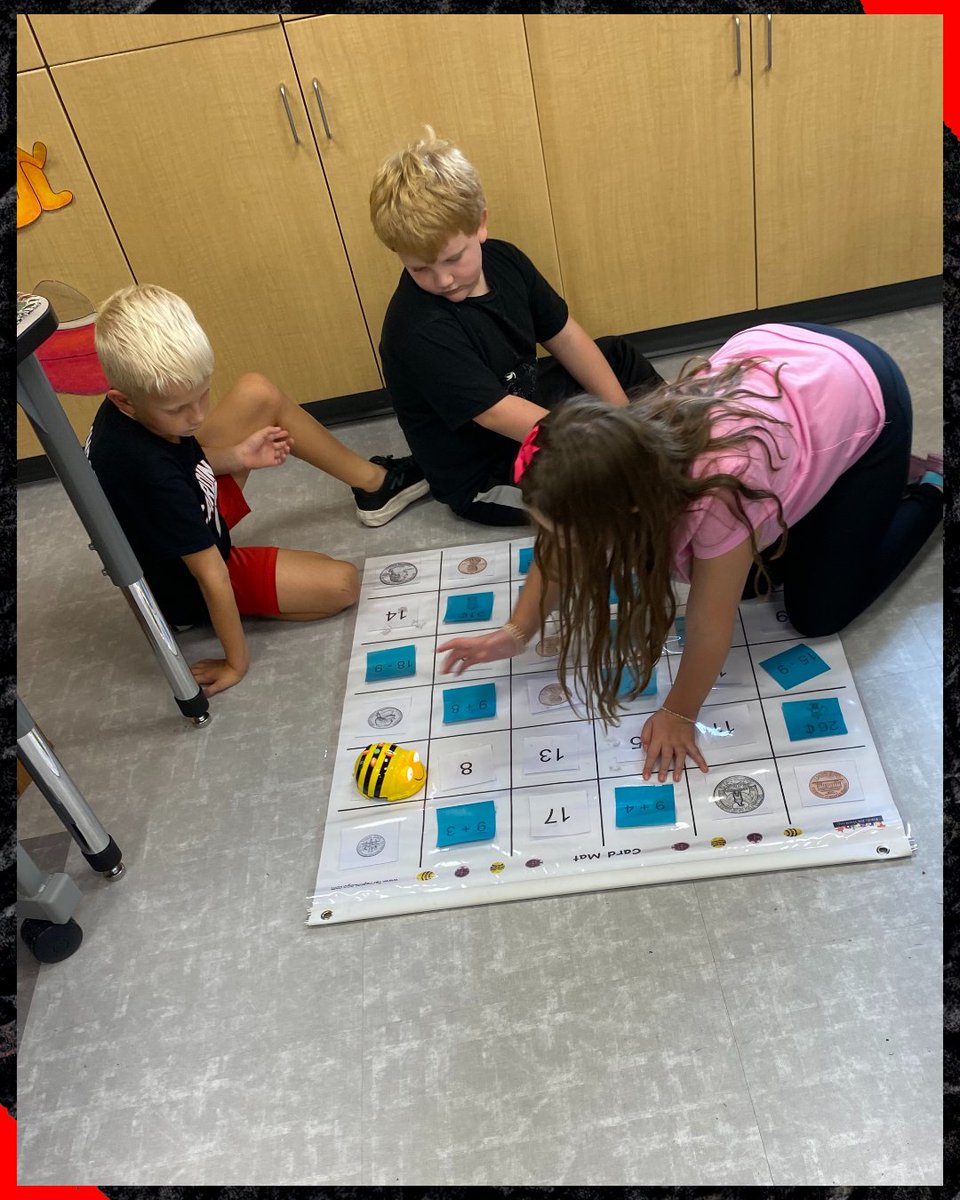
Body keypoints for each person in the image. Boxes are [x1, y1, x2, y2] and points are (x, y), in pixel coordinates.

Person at [438, 322, 944, 779]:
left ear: (630, 512)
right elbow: (559, 547)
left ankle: (930, 488)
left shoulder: (718, 494)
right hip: (789, 369)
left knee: (817, 612)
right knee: (748, 573)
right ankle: (830, 482)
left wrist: (680, 712)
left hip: (864, 386)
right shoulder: (613, 457)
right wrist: (518, 629)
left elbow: (708, 621)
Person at [87, 284, 428, 697]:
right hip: (183, 581)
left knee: (256, 392)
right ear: (123, 400)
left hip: (181, 507)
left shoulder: (135, 410)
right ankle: (197, 620)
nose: (198, 416)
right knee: (342, 584)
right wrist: (235, 663)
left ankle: (375, 485)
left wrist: (235, 457)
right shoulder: (150, 473)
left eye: (202, 394)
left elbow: (183, 458)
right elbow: (211, 574)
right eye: (178, 409)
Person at [369, 127, 664, 526]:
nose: (443, 280)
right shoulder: (418, 329)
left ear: (480, 225)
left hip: (520, 398)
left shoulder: (506, 260)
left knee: (615, 356)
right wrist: (602, 447)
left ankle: (656, 443)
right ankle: (639, 466)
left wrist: (625, 423)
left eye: (454, 259)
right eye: (420, 268)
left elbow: (566, 337)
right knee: (608, 489)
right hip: (484, 469)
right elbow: (495, 415)